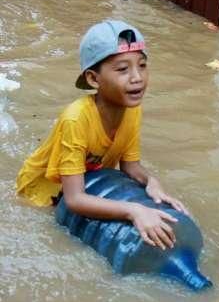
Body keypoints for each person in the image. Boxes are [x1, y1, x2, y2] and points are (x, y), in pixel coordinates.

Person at [16, 20, 188, 251]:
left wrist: (153, 183)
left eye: (142, 65)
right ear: (94, 79)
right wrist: (134, 210)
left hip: (89, 181)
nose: (137, 77)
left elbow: (130, 167)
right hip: (43, 195)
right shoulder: (76, 119)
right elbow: (75, 199)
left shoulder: (132, 110)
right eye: (122, 69)